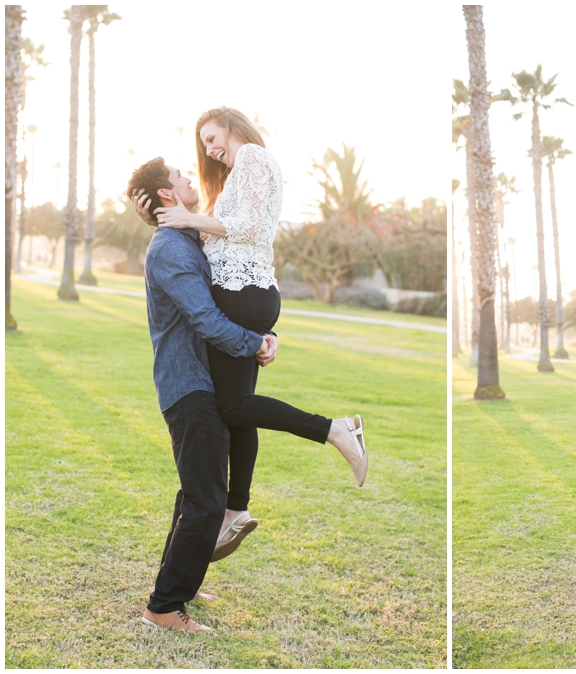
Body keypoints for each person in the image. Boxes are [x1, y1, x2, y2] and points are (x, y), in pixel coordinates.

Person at [133, 107, 367, 554]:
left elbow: (251, 228)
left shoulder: (254, 158)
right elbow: (219, 239)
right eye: (203, 144)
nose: (209, 149)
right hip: (244, 294)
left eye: (212, 136)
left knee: (233, 404)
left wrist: (186, 219)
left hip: (243, 293)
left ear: (233, 126)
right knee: (233, 407)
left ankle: (335, 430)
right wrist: (159, 212)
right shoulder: (237, 175)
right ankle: (234, 508)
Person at [127, 158, 277, 632]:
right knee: (207, 500)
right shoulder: (171, 247)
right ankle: (163, 608)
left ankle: (180, 587)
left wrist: (264, 332)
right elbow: (206, 320)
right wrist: (253, 343)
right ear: (169, 195)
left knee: (197, 493)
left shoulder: (188, 237)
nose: (189, 177)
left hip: (201, 382)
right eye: (179, 176)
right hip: (188, 385)